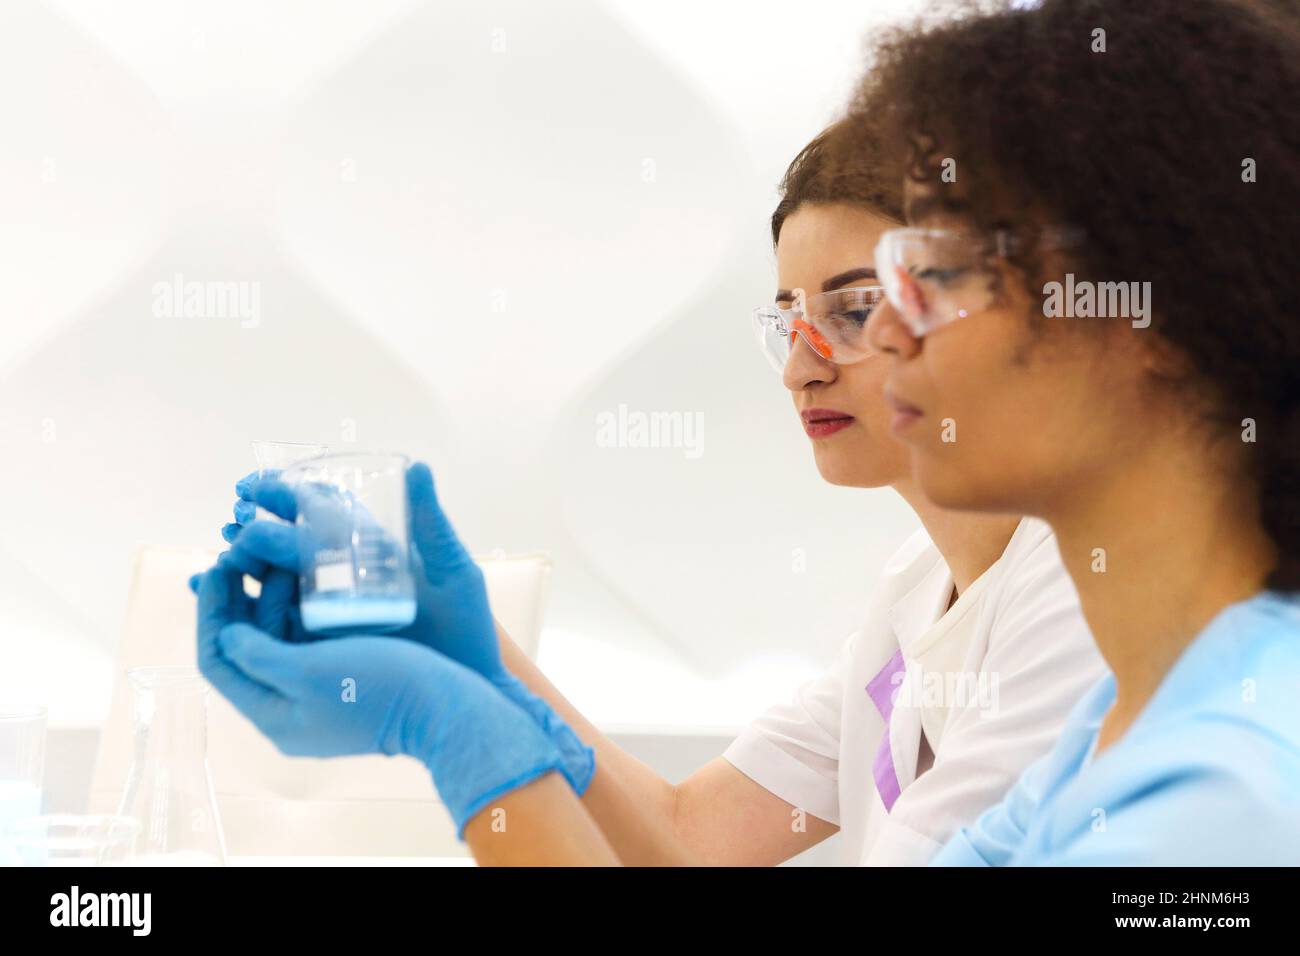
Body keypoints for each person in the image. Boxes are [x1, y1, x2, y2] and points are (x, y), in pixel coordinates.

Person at [195, 110, 1104, 866]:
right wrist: (476, 649)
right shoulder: (914, 594)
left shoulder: (1080, 596)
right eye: (788, 321)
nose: (800, 369)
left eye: (854, 310)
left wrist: (460, 725)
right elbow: (686, 838)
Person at [851, 0, 1300, 863]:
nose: (883, 332)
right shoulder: (1121, 712)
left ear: (1158, 313)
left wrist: (513, 769)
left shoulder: (1231, 795)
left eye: (939, 269)